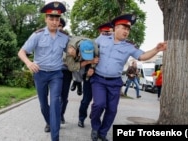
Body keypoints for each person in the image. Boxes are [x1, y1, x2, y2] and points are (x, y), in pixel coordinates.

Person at [89, 13, 167, 141]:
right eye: (124, 28)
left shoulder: (129, 46)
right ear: (115, 27)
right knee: (99, 104)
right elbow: (90, 50)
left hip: (114, 81)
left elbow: (142, 56)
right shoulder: (102, 38)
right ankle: (95, 128)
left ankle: (102, 133)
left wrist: (156, 49)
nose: (126, 31)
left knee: (112, 109)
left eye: (128, 29)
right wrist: (91, 62)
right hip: (99, 79)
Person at [17, 1, 68, 141]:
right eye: (51, 19)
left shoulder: (64, 37)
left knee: (55, 102)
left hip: (56, 74)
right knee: (43, 104)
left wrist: (73, 51)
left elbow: (71, 52)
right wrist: (28, 62)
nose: (54, 22)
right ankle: (49, 122)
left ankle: (55, 137)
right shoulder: (37, 35)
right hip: (40, 74)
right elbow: (21, 52)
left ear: (59, 20)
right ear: (46, 19)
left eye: (57, 19)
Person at [65, 36, 99, 128]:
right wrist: (87, 61)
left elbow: (97, 57)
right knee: (86, 99)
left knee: (93, 99)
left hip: (92, 69)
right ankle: (81, 118)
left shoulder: (94, 46)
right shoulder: (70, 48)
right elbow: (71, 67)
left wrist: (92, 67)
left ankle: (94, 114)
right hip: (77, 62)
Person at [58, 18, 72, 124]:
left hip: (66, 71)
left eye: (60, 26)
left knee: (64, 96)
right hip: (54, 71)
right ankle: (54, 117)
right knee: (55, 96)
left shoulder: (69, 39)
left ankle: (61, 114)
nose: (57, 27)